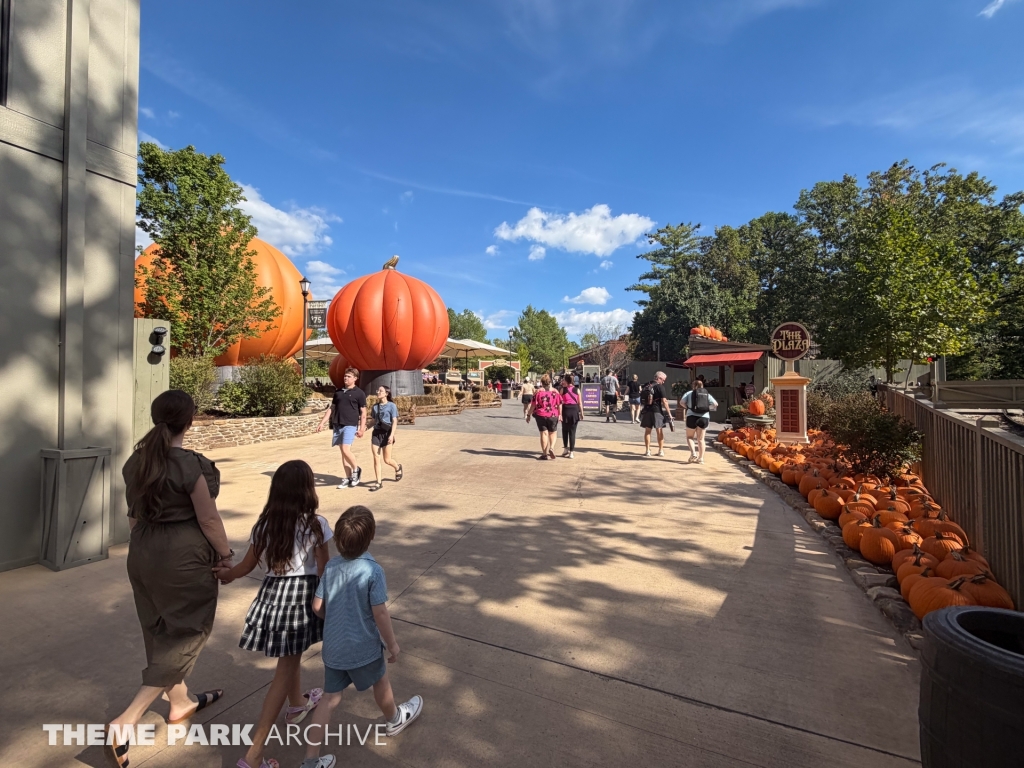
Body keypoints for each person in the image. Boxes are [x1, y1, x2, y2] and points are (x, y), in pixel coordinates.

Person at [108, 390, 233, 768]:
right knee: (186, 633)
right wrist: (226, 557)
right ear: (190, 420)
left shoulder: (136, 462)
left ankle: (180, 702)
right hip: (183, 555)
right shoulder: (189, 465)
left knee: (158, 628)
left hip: (143, 549)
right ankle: (125, 722)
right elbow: (208, 518)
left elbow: (132, 516)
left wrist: (146, 546)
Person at [215, 460, 331, 768]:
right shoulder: (316, 525)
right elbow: (326, 572)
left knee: (289, 656)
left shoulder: (265, 525)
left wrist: (226, 574)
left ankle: (297, 705)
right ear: (307, 490)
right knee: (284, 669)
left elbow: (245, 566)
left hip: (273, 596)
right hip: (301, 601)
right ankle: (253, 755)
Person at [301, 506, 424, 768]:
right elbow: (380, 612)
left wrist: (331, 620)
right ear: (373, 535)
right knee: (381, 683)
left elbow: (317, 606)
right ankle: (394, 720)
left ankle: (310, 761)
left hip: (334, 649)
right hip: (363, 647)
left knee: (329, 699)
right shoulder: (372, 571)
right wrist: (392, 644)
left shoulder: (332, 567)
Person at [316, 368, 367, 489]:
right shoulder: (338, 392)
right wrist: (322, 422)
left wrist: (361, 428)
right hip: (337, 424)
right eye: (345, 376)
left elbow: (363, 412)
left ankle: (356, 470)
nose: (346, 378)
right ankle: (348, 477)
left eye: (349, 376)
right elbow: (331, 409)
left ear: (355, 378)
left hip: (350, 424)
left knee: (345, 449)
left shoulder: (359, 393)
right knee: (343, 454)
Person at [368, 385, 402, 491]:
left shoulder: (392, 406)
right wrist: (362, 429)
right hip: (376, 434)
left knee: (387, 460)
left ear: (386, 393)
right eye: (377, 390)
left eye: (381, 391)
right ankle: (378, 482)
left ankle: (397, 467)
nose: (378, 392)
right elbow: (373, 421)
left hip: (387, 433)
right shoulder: (375, 407)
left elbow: (394, 421)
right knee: (376, 458)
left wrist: (391, 435)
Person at [525, 374, 561, 460]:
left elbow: (533, 405)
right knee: (553, 432)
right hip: (553, 414)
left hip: (541, 415)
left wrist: (528, 415)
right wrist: (560, 414)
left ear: (541, 382)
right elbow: (559, 404)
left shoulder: (538, 392)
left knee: (543, 433)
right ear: (550, 382)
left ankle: (544, 454)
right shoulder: (556, 392)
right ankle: (551, 448)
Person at [681, 380, 718, 464]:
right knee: (701, 439)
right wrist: (708, 409)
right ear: (702, 385)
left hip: (691, 417)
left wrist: (688, 407)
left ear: (693, 386)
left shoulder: (689, 393)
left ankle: (693, 453)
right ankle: (701, 458)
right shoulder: (706, 394)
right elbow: (715, 404)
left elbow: (681, 402)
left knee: (690, 437)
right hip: (704, 417)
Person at [640, 371, 672, 457]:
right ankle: (661, 450)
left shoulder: (646, 385)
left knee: (647, 431)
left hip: (647, 410)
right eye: (663, 380)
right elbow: (664, 401)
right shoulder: (660, 387)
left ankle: (647, 451)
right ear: (658, 378)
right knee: (659, 430)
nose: (663, 382)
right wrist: (669, 413)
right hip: (657, 410)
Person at [559, 373, 583, 458]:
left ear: (566, 381)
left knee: (565, 431)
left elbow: (560, 403)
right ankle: (572, 452)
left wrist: (559, 414)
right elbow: (580, 403)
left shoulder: (563, 390)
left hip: (565, 410)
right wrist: (581, 413)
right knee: (572, 432)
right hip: (574, 411)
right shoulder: (577, 390)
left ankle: (565, 448)